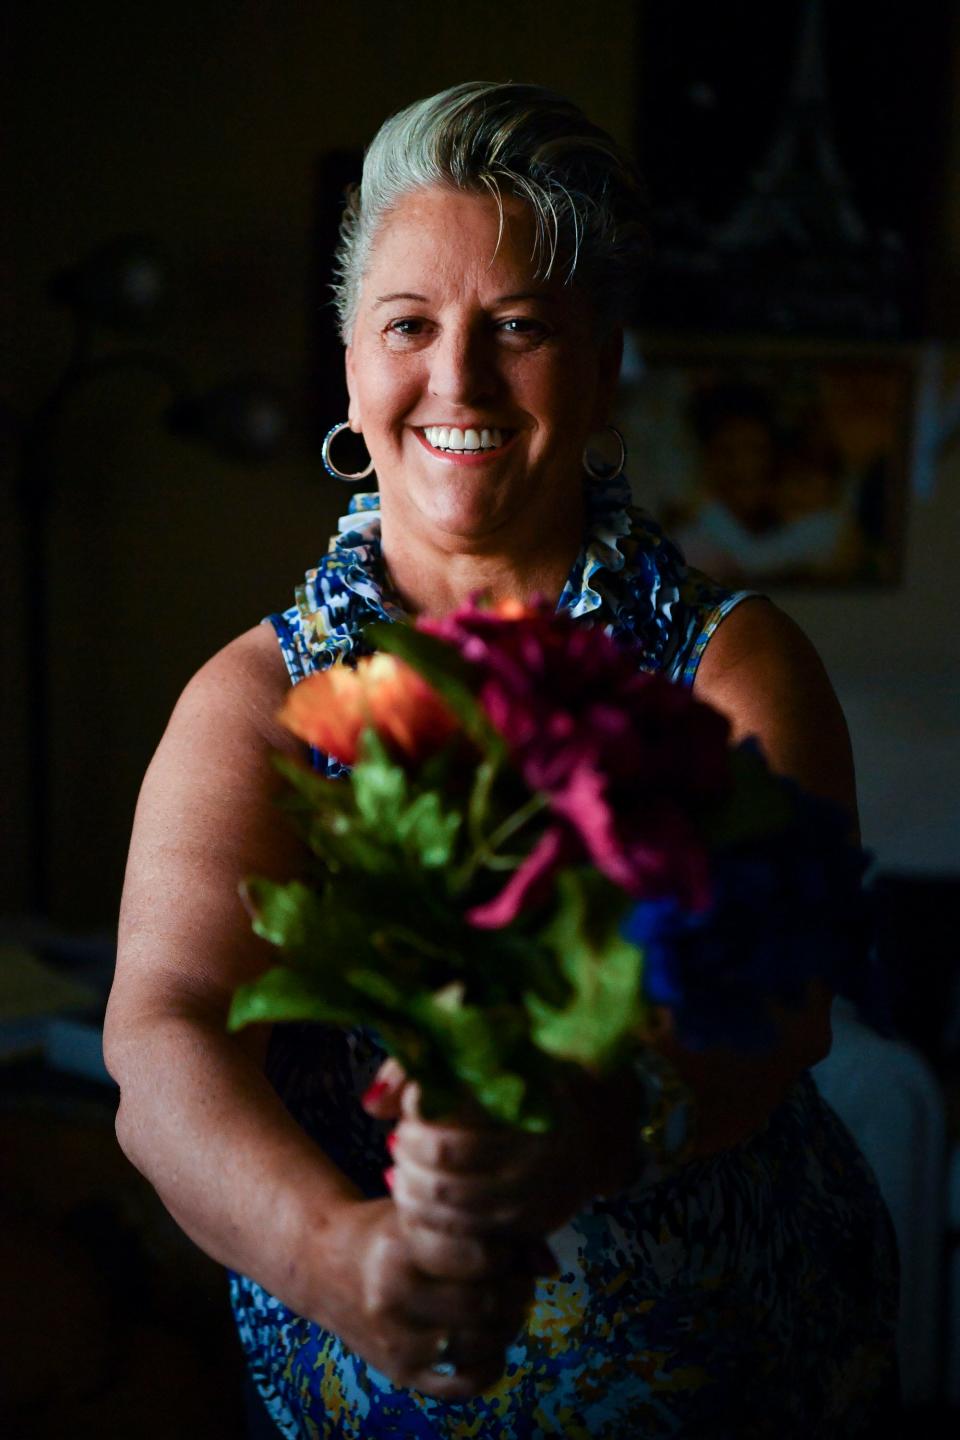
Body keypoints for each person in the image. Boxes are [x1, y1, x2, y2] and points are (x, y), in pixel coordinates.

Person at [104, 82, 898, 1438]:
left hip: (744, 1376)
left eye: (518, 327)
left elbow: (778, 1004)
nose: (457, 380)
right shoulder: (256, 699)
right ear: (352, 361)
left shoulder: (730, 665)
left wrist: (585, 1123)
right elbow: (165, 1034)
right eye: (409, 326)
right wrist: (336, 1259)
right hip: (377, 1385)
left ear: (602, 363)